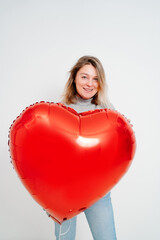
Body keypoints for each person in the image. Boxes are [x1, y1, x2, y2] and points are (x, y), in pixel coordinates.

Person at [54, 56, 117, 240]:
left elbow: (117, 151)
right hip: (64, 193)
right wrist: (47, 199)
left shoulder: (108, 111)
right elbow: (48, 157)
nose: (90, 83)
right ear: (74, 78)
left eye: (95, 78)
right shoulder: (59, 110)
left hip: (98, 191)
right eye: (84, 77)